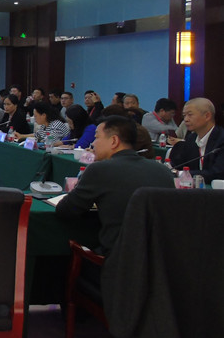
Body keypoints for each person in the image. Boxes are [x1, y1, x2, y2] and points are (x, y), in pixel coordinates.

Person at [56, 116, 176, 255]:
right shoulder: (163, 171)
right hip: (161, 256)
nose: (93, 143)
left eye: (97, 137)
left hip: (118, 257)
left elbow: (66, 210)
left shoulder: (100, 170)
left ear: (114, 141)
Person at [168, 98, 224, 184]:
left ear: (207, 116)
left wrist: (181, 173)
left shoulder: (221, 139)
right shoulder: (191, 138)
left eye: (190, 115)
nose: (186, 119)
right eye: (184, 115)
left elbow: (217, 173)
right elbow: (178, 164)